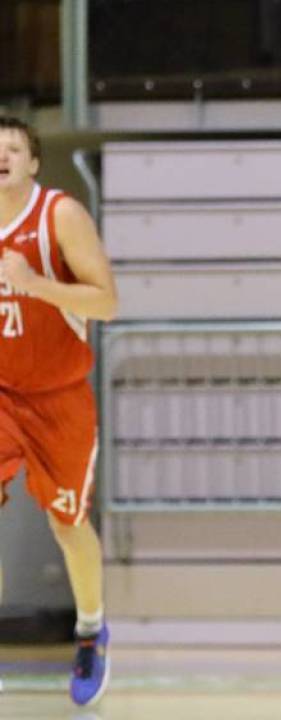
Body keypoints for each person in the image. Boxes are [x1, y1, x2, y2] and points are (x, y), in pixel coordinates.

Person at [0, 116, 118, 706]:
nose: (1, 156)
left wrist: (35, 284)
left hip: (57, 396)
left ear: (33, 162)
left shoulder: (60, 216)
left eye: (12, 147)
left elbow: (107, 302)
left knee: (68, 524)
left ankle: (91, 631)